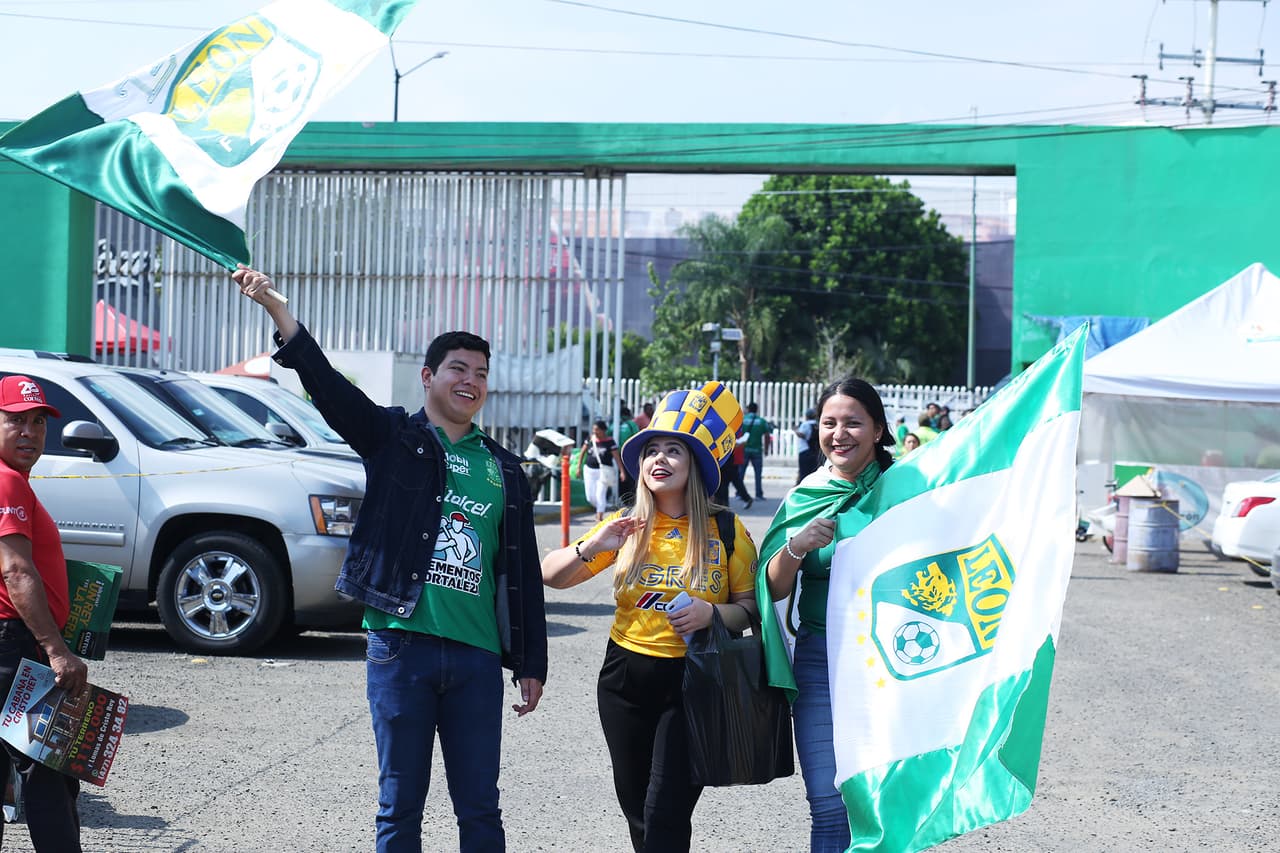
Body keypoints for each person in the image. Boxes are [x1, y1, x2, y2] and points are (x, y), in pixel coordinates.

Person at [234, 267, 547, 853]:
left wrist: (531, 660)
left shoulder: (504, 468)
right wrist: (281, 314)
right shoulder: (392, 438)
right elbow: (328, 387)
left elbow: (523, 573)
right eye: (457, 368)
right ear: (428, 377)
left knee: (480, 808)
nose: (470, 381)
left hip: (478, 659)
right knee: (399, 807)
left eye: (480, 373)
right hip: (401, 645)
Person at [541, 382, 759, 853]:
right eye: (651, 451)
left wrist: (710, 613)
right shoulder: (625, 525)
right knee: (640, 812)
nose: (659, 459)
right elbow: (550, 577)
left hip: (695, 682)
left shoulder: (725, 528)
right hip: (624, 679)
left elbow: (749, 610)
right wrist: (593, 545)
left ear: (695, 465)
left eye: (673, 450)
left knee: (665, 811)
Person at [759, 378, 896, 853]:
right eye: (829, 422)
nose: (839, 433)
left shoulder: (911, 491)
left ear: (878, 429)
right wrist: (796, 547)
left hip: (895, 661)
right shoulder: (806, 496)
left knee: (887, 797)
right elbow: (772, 587)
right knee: (829, 801)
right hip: (821, 660)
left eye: (853, 422)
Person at [0, 376, 87, 852]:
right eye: (15, 420)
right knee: (48, 768)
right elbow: (16, 570)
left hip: (11, 640)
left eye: (38, 421)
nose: (30, 431)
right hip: (15, 643)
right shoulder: (6, 479)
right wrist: (56, 650)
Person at [578, 419, 625, 521]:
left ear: (603, 430)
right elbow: (582, 453)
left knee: (600, 494)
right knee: (590, 497)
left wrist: (622, 471)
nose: (595, 432)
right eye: (594, 429)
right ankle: (601, 506)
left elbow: (617, 457)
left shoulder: (610, 442)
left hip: (603, 472)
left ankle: (599, 515)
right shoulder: (590, 439)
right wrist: (578, 467)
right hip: (589, 470)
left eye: (597, 429)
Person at [741, 401, 774, 500]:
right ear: (757, 409)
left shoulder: (743, 420)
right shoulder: (761, 421)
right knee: (758, 474)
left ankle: (740, 493)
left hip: (745, 450)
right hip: (757, 450)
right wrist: (767, 449)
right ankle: (758, 494)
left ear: (748, 409)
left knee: (741, 473)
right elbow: (767, 436)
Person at [715, 434, 752, 510]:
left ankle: (724, 505)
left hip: (726, 460)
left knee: (725, 483)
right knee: (735, 481)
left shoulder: (726, 430)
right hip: (730, 460)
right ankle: (746, 498)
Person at [617, 405, 641, 505]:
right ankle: (630, 500)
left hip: (615, 456)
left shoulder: (615, 424)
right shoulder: (632, 424)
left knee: (619, 479)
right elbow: (637, 438)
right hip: (629, 454)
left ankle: (621, 499)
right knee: (630, 478)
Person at [794, 407, 819, 483]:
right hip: (814, 451)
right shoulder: (816, 424)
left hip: (804, 450)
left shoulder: (805, 424)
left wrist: (795, 430)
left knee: (803, 472)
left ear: (807, 416)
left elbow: (802, 435)